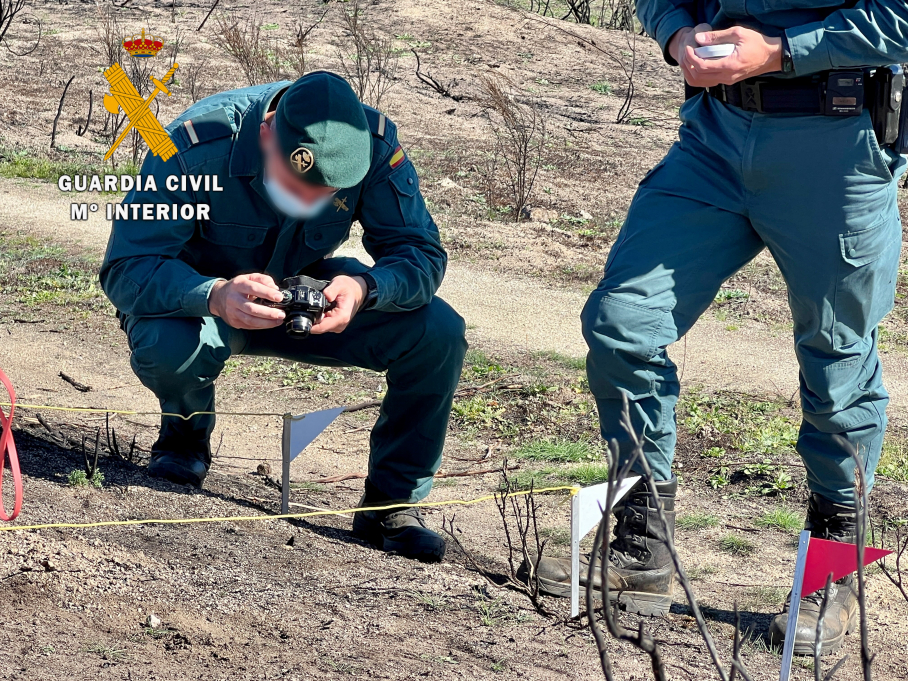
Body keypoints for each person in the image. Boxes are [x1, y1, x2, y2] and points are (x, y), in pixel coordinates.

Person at [534, 0, 908, 654]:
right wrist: (676, 32)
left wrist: (783, 50)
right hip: (715, 137)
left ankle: (833, 578)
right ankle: (640, 543)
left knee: (838, 370)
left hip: (839, 142)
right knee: (622, 323)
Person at [100, 72, 467, 563]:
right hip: (202, 302)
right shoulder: (191, 148)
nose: (313, 202)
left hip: (302, 295)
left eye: (328, 193)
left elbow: (419, 252)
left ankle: (391, 505)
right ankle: (184, 439)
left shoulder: (374, 147)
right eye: (299, 185)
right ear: (268, 133)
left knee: (437, 334)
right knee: (171, 349)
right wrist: (213, 295)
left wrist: (364, 288)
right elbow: (127, 268)